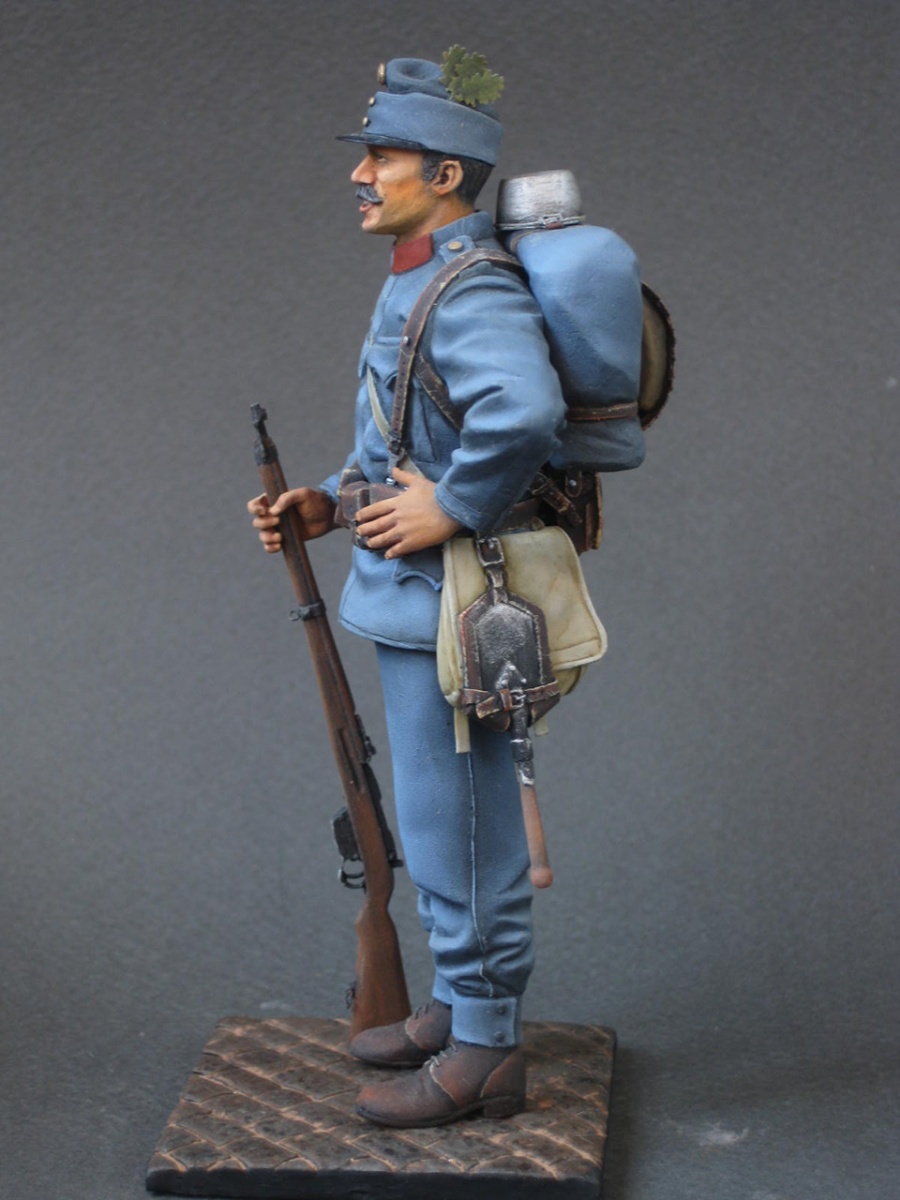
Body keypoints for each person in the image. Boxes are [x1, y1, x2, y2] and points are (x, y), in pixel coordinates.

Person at [248, 51, 567, 1128]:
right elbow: (401, 433)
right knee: (437, 824)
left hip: (453, 604)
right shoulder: (419, 278)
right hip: (416, 595)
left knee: (458, 827)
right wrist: (333, 502)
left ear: (444, 173)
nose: (360, 174)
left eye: (381, 156)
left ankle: (486, 1046)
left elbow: (521, 412)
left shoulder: (468, 287)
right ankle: (457, 1006)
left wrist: (453, 506)